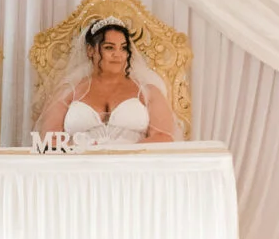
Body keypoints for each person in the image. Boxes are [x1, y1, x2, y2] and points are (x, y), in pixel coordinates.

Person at [35, 17, 178, 144]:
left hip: (132, 169)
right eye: (109, 47)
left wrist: (123, 155)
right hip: (80, 167)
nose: (118, 54)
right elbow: (49, 140)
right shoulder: (69, 92)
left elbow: (163, 137)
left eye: (123, 48)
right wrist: (82, 151)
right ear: (90, 50)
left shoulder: (148, 92)